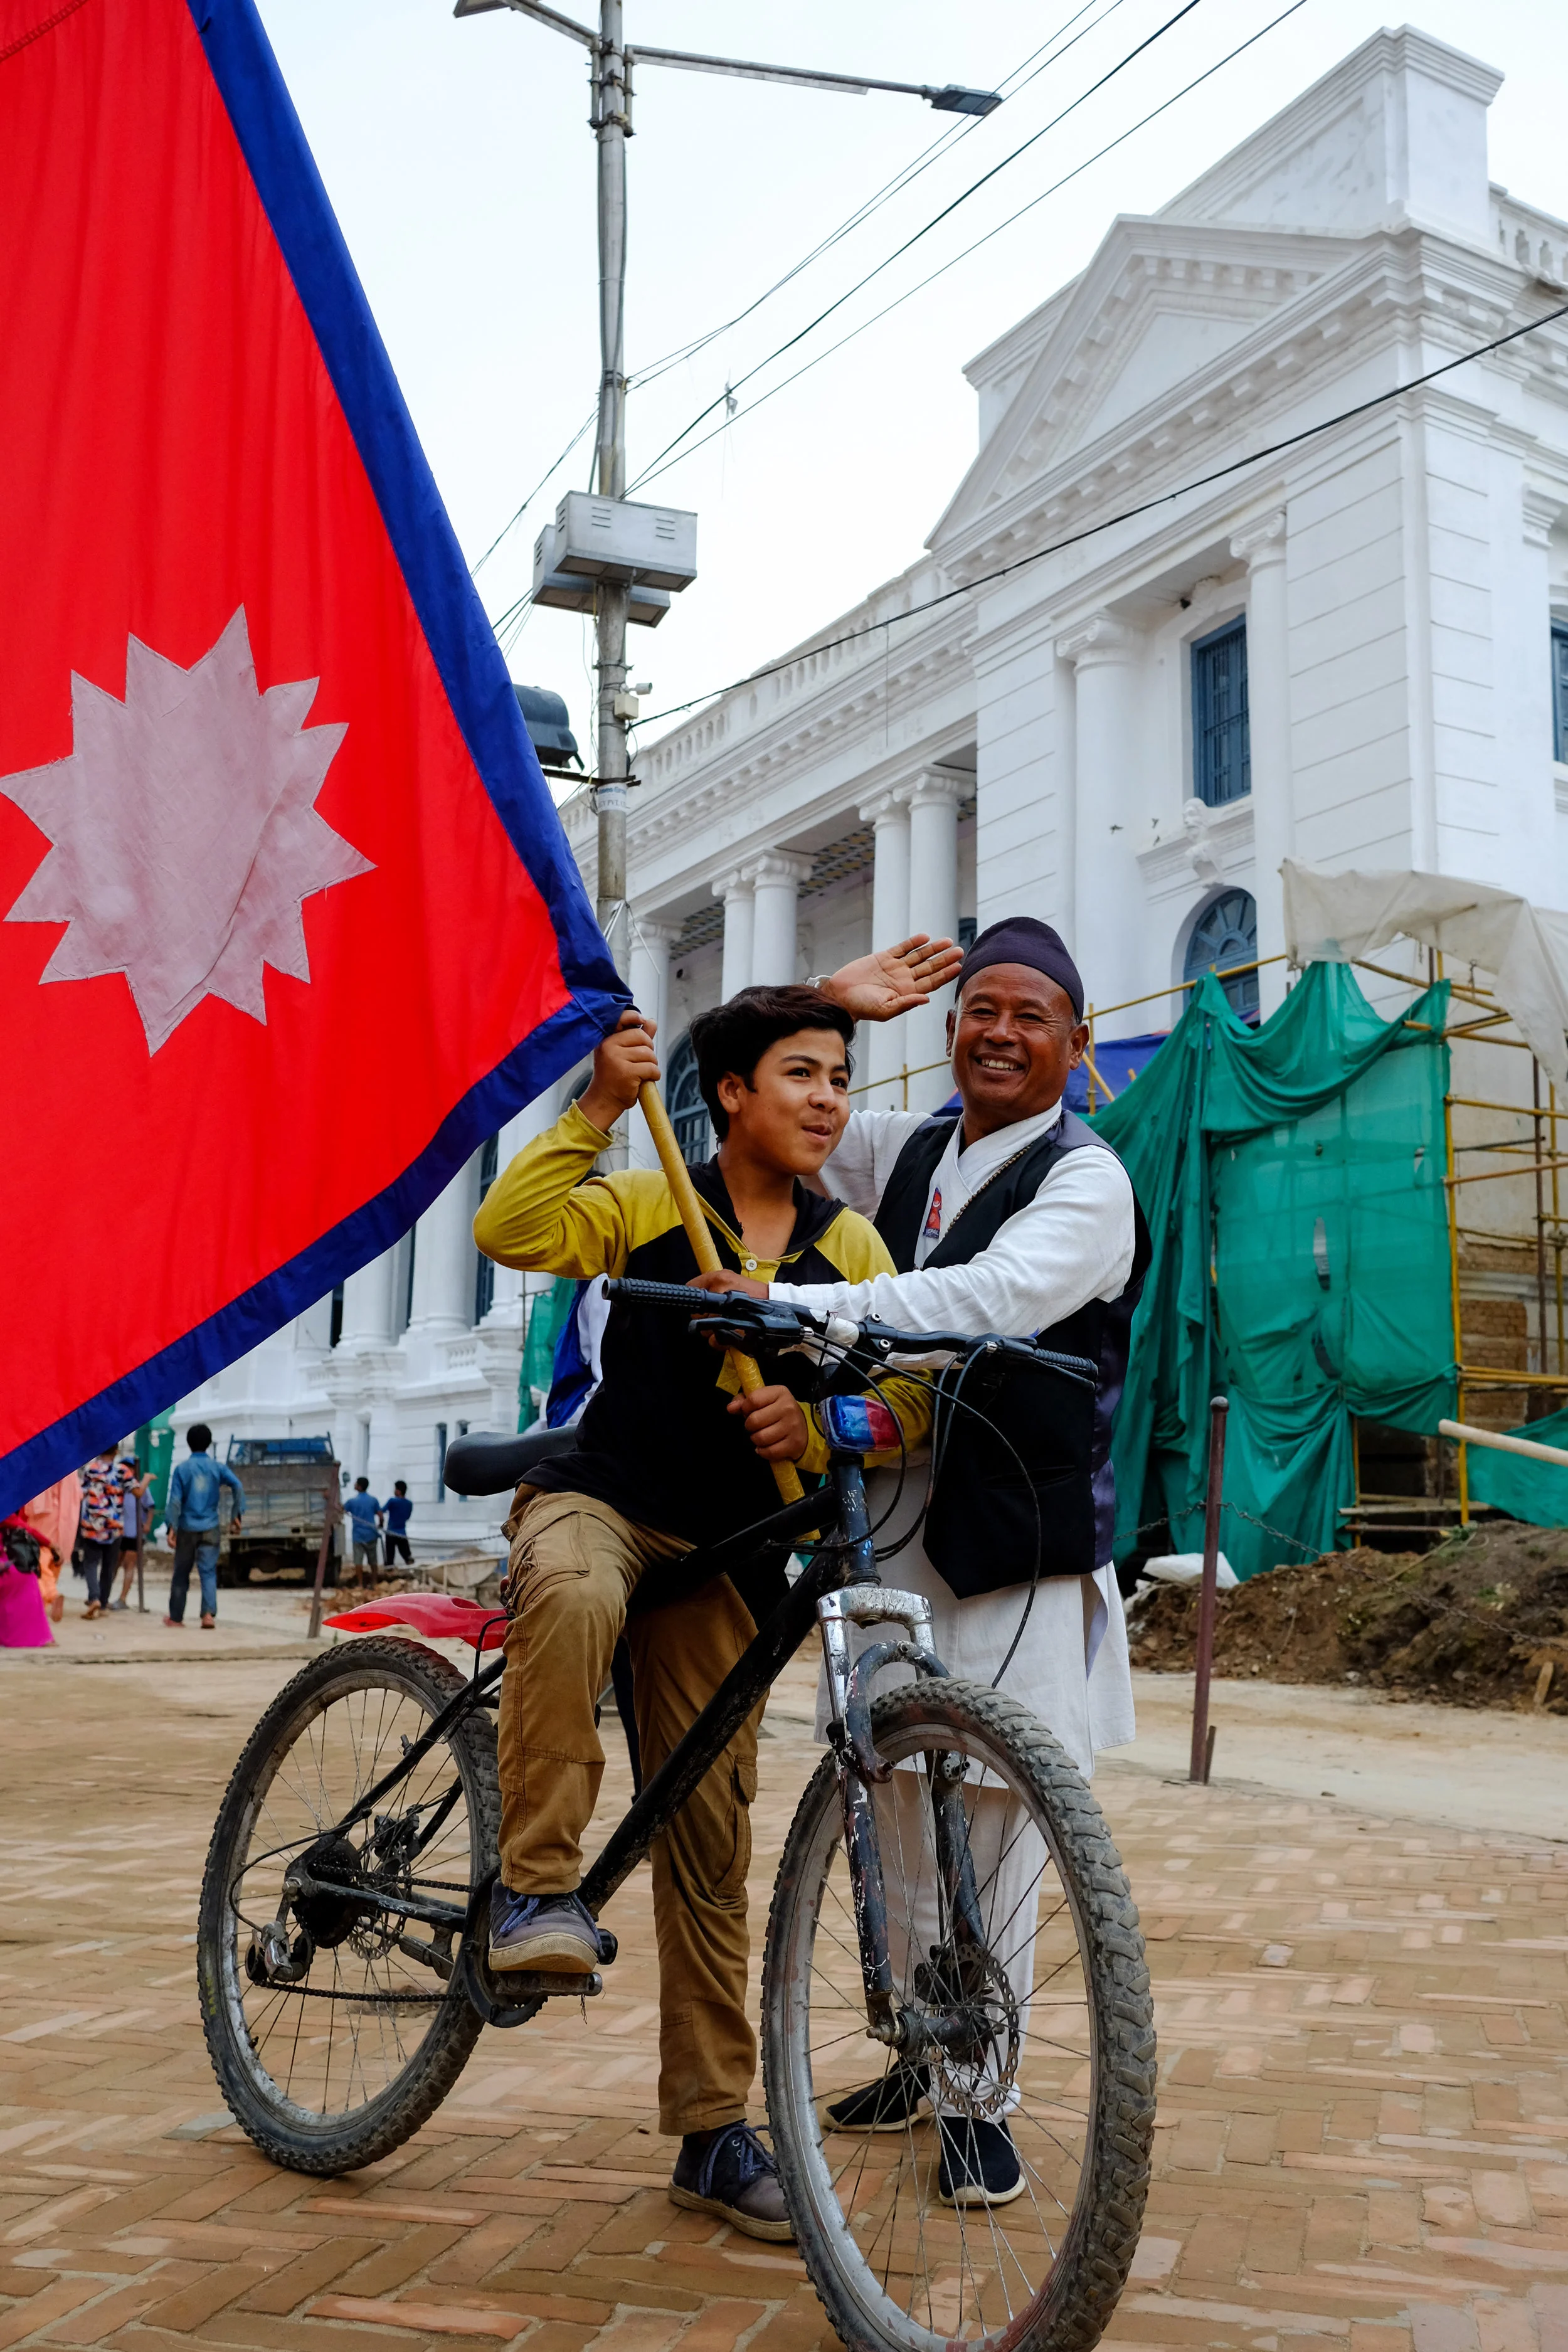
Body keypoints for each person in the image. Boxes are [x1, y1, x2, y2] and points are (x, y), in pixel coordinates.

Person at [689, 923, 1150, 2210]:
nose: (996, 1031)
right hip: (884, 1532)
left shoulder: (1085, 1180)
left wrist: (799, 1309)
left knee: (995, 1818)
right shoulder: (899, 1148)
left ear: (1077, 1042)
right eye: (977, 1009)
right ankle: (912, 2040)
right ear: (948, 1030)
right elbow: (728, 1107)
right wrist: (820, 1008)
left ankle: (976, 2103)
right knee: (885, 1796)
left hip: (1016, 1549)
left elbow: (988, 1297)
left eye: (1029, 1015)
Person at [472, 985, 932, 2242]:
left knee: (710, 1840)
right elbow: (508, 1225)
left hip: (731, 1557)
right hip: (607, 1499)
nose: (828, 1098)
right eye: (799, 1073)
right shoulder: (647, 1201)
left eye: (838, 1077)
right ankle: (534, 1891)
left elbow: (907, 1408)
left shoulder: (853, 1253)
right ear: (729, 1094)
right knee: (566, 1590)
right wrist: (599, 1107)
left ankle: (712, 2132)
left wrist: (825, 1417)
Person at [164, 1425, 244, 1630]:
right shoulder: (217, 1468)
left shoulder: (182, 1470)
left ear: (189, 1444)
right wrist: (236, 1515)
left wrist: (171, 1527)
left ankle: (176, 1618)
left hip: (187, 1527)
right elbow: (237, 1486)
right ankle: (208, 1615)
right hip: (211, 1526)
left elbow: (174, 1502)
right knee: (208, 1572)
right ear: (209, 1444)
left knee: (181, 1573)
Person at [78, 1449, 132, 1619]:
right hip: (114, 1527)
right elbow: (137, 1492)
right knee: (109, 1566)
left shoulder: (90, 1469)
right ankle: (103, 1603)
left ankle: (94, 1597)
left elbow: (81, 1494)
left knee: (91, 1563)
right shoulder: (123, 1471)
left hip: (92, 1524)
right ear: (116, 1451)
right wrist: (144, 1481)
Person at [23, 1474, 80, 1625]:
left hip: (45, 1513)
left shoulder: (43, 1456)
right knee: (55, 1560)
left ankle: (50, 1596)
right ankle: (46, 1600)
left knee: (40, 1558)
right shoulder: (70, 1461)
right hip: (67, 1516)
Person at [112, 1455, 151, 1610]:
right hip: (119, 1532)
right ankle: (104, 1596)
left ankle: (122, 1598)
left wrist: (147, 1524)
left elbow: (150, 1506)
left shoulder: (139, 1488)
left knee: (129, 1565)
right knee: (114, 1564)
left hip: (135, 1533)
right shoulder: (117, 1487)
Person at [344, 1478, 381, 1578]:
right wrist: (380, 1526)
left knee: (358, 1561)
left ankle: (360, 1584)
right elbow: (380, 1515)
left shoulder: (352, 1502)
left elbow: (341, 1510)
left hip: (358, 1535)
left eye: (356, 1483)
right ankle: (374, 1582)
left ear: (359, 1486)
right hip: (371, 1534)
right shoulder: (373, 1500)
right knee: (373, 1560)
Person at [383, 1481, 414, 1569]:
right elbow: (408, 1517)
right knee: (407, 1555)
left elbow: (382, 1511)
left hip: (391, 1532)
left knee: (390, 1556)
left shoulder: (392, 1501)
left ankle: (390, 1571)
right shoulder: (409, 1504)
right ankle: (412, 1570)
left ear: (399, 1491)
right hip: (402, 1533)